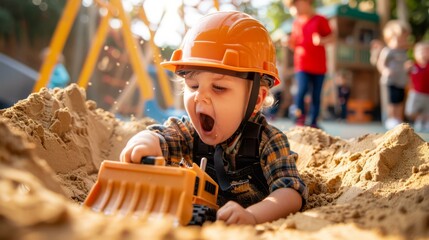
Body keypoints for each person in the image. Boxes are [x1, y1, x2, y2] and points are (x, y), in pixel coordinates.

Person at [120, 11, 308, 225]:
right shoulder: (188, 132)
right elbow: (160, 136)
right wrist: (144, 142)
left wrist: (254, 216)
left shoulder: (268, 141)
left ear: (256, 99)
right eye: (193, 86)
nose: (200, 95)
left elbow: (290, 192)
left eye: (218, 88)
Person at [282, 0, 334, 128]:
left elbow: (332, 37)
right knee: (301, 90)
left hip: (319, 66)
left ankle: (313, 122)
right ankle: (299, 119)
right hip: (302, 65)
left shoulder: (320, 20)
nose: (294, 10)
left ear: (306, 2)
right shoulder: (296, 23)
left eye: (296, 5)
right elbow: (295, 44)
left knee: (316, 94)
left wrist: (322, 40)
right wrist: (289, 42)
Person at [376, 20, 411, 130]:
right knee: (392, 100)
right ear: (389, 39)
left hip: (401, 80)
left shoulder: (404, 52)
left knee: (400, 100)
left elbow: (404, 65)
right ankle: (391, 118)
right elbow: (380, 63)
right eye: (399, 40)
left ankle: (398, 118)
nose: (402, 42)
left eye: (404, 39)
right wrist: (385, 70)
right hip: (390, 80)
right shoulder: (388, 51)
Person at [405, 41, 429, 132]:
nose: (423, 54)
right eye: (420, 52)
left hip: (427, 93)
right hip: (415, 92)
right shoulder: (412, 66)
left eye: (426, 51)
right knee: (411, 110)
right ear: (415, 54)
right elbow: (406, 75)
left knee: (427, 110)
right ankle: (419, 118)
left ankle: (424, 122)